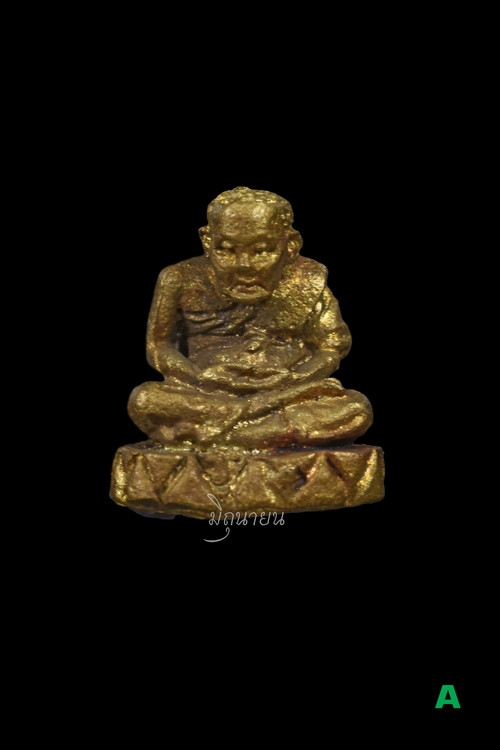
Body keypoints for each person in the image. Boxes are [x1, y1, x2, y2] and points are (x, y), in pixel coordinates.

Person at [128, 187, 373, 450]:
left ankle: (222, 435)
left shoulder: (307, 281)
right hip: (207, 391)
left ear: (290, 245)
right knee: (144, 399)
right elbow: (158, 345)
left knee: (356, 408)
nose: (244, 265)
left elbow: (331, 347)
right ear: (207, 241)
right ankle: (258, 431)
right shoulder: (178, 279)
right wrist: (198, 377)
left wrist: (294, 379)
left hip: (284, 390)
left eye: (261, 251)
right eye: (226, 250)